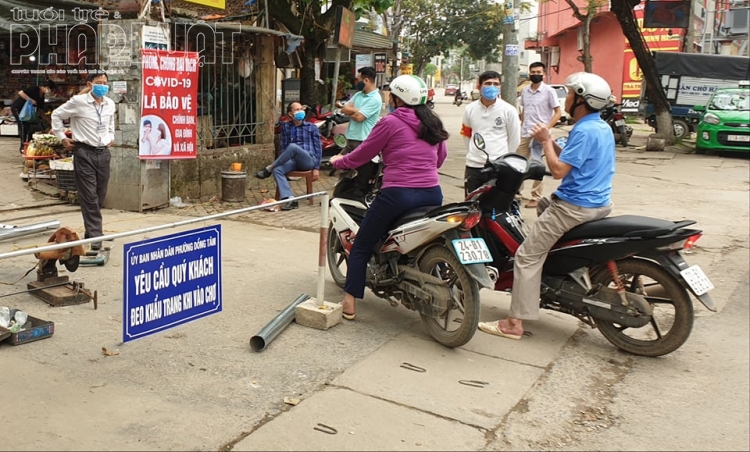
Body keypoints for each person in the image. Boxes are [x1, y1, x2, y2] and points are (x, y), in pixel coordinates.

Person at [478, 72, 615, 340]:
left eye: (572, 95)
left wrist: (543, 142)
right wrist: (550, 139)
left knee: (527, 257)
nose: (568, 100)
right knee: (542, 204)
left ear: (582, 100)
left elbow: (558, 169)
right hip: (599, 203)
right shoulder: (600, 127)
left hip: (574, 207)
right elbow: (573, 158)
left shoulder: (584, 130)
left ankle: (514, 323)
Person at [329, 74, 448, 321]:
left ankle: (350, 302)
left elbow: (363, 153)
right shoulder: (433, 122)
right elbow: (439, 159)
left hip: (398, 194)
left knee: (361, 244)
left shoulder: (390, 122)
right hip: (432, 193)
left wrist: (339, 161)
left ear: (396, 98)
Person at [51, 71, 115, 251]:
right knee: (89, 196)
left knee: (100, 194)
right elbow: (56, 115)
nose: (102, 85)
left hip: (103, 153)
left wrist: (111, 135)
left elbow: (110, 123)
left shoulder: (110, 104)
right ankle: (96, 235)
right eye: (98, 82)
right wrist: (62, 137)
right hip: (84, 152)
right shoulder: (78, 102)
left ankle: (92, 231)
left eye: (105, 82)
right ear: (90, 84)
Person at [461, 70, 521, 195]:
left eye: (496, 84)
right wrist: (474, 153)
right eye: (488, 83)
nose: (492, 87)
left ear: (500, 87)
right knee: (471, 207)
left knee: (496, 206)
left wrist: (503, 160)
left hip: (499, 167)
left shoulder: (509, 110)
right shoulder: (470, 109)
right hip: (474, 166)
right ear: (479, 86)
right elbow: (467, 134)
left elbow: (514, 139)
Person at [255, 101, 322, 211]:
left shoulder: (311, 127)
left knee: (293, 147)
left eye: (301, 109)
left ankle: (269, 168)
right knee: (278, 170)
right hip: (293, 160)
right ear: (290, 114)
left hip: (308, 159)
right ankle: (289, 199)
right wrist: (283, 161)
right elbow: (283, 147)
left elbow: (318, 148)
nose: (301, 111)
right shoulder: (287, 127)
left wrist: (316, 168)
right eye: (297, 110)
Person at [517, 62, 562, 209]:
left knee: (537, 165)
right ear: (529, 74)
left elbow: (558, 113)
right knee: (518, 163)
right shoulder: (525, 91)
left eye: (538, 72)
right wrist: (522, 123)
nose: (536, 74)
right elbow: (524, 110)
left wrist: (546, 129)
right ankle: (516, 193)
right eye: (533, 72)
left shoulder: (549, 91)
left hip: (541, 134)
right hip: (526, 132)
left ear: (543, 74)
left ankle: (536, 197)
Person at [340, 66, 381, 155]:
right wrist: (356, 110)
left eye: (358, 80)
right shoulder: (358, 94)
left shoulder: (375, 99)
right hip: (351, 138)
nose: (356, 83)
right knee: (342, 164)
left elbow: (359, 117)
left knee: (357, 168)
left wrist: (350, 110)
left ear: (366, 80)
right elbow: (344, 110)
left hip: (363, 140)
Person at [11, 80, 57, 154]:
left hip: (28, 113)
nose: (50, 92)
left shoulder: (41, 98)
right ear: (47, 88)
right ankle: (23, 147)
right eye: (51, 90)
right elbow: (21, 92)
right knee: (23, 126)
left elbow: (41, 112)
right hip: (18, 108)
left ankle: (28, 145)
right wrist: (30, 100)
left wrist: (50, 122)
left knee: (30, 127)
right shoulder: (35, 89)